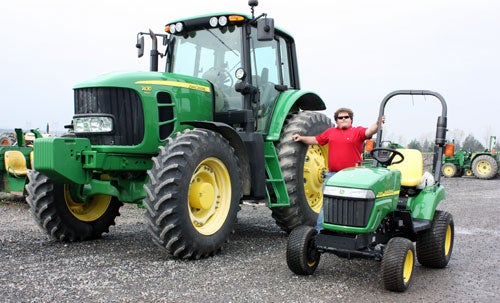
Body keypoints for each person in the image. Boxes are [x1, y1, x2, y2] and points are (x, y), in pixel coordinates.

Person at [291, 107, 384, 231]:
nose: (344, 119)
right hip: (332, 175)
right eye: (340, 117)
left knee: (352, 204)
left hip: (352, 176)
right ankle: (320, 232)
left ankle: (349, 231)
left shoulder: (357, 132)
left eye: (346, 117)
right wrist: (302, 138)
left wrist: (377, 123)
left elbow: (369, 131)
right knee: (327, 205)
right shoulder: (330, 132)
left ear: (351, 120)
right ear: (337, 120)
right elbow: (316, 140)